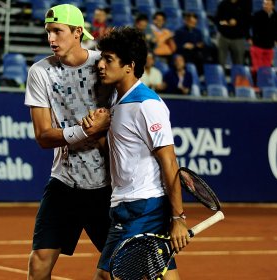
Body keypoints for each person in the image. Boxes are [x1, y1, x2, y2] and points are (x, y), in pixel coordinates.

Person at [84, 27, 189, 280]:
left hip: (143, 207)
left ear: (129, 66)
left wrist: (178, 217)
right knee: (161, 273)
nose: (101, 65)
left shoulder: (147, 105)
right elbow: (118, 153)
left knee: (106, 275)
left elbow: (169, 161)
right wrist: (94, 133)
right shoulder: (115, 103)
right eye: (102, 58)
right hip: (126, 203)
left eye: (108, 60)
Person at [23, 4, 113, 280]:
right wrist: (86, 131)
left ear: (77, 33)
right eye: (48, 32)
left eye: (57, 31)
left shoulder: (105, 65)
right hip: (65, 182)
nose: (51, 39)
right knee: (39, 265)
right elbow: (43, 136)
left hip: (108, 186)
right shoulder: (40, 72)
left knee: (114, 272)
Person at [215, 0, 250, 68]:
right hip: (223, 37)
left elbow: (247, 22)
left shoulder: (244, 5)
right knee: (220, 62)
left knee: (239, 63)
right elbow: (218, 21)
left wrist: (237, 22)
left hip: (238, 38)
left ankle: (238, 78)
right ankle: (221, 78)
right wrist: (226, 23)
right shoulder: (223, 4)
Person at [249, 0, 277, 74]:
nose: (265, 5)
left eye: (267, 4)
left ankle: (264, 84)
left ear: (273, 6)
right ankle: (256, 85)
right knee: (256, 69)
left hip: (269, 47)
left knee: (266, 70)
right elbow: (248, 26)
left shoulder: (275, 16)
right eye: (264, 3)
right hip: (257, 46)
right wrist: (249, 38)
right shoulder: (257, 15)